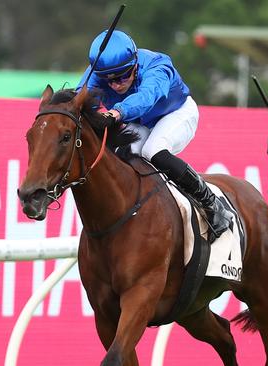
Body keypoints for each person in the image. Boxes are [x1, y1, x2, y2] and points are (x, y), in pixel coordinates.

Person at [77, 29, 231, 243]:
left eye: (122, 76)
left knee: (152, 151)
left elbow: (146, 97)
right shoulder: (98, 70)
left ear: (135, 63)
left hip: (176, 113)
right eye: (108, 81)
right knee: (123, 157)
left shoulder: (158, 65)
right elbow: (79, 100)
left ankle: (211, 203)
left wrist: (117, 112)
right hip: (139, 122)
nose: (116, 85)